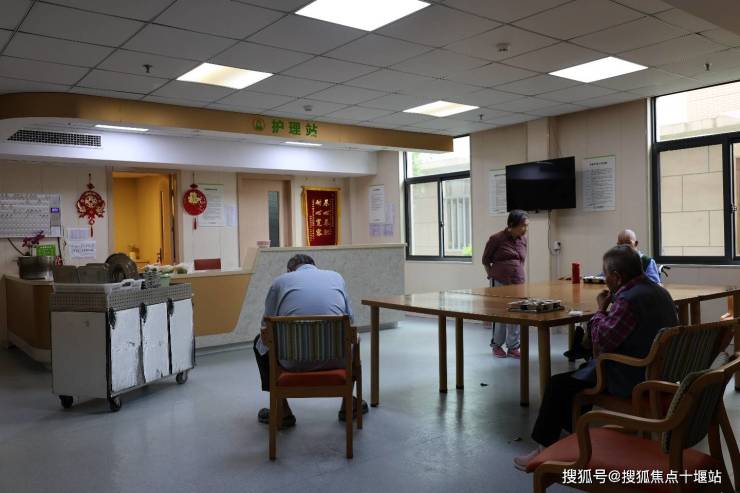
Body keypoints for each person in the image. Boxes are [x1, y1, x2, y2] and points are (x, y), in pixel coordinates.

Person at [514, 245, 678, 470]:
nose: (604, 279)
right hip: (662, 372)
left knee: (559, 385)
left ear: (617, 276)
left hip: (634, 377)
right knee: (576, 381)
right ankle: (568, 440)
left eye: (605, 274)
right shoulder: (660, 292)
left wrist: (601, 309)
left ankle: (545, 451)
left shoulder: (628, 300)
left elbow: (601, 343)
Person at [253, 254, 365, 428]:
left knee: (259, 343)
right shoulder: (336, 277)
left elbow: (265, 327)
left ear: (289, 270)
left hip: (292, 361)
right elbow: (350, 321)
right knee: (352, 340)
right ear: (314, 266)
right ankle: (348, 405)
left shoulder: (280, 282)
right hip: (338, 359)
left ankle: (282, 411)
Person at [482, 209, 529, 358]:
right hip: (500, 281)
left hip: (518, 282)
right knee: (500, 314)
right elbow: (485, 260)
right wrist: (491, 275)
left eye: (527, 225)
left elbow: (521, 260)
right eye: (522, 225)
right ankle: (496, 345)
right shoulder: (496, 238)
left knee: (516, 313)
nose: (525, 229)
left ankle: (513, 346)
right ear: (512, 224)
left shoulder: (523, 240)